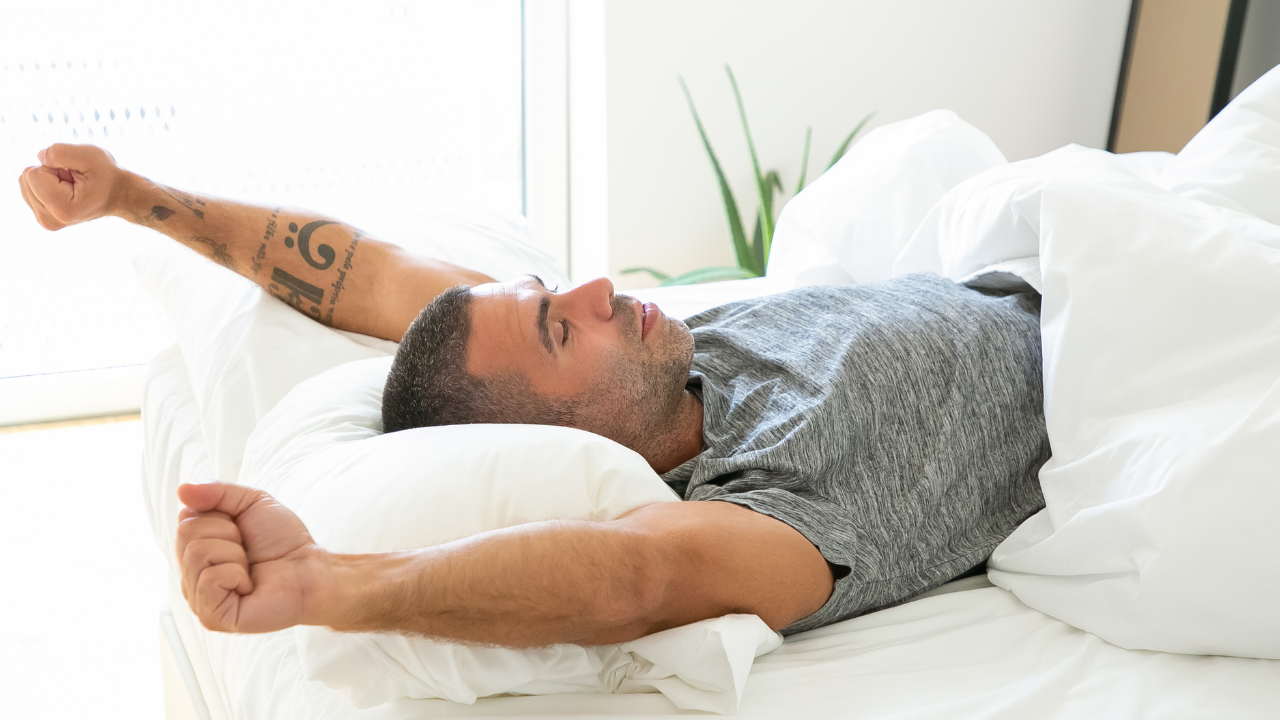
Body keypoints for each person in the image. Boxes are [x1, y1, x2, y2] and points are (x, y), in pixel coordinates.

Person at [19, 143, 1049, 648]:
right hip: (1106, 360)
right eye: (564, 326)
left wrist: (132, 198)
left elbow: (362, 276)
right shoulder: (769, 497)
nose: (605, 292)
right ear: (542, 425)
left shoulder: (666, 361)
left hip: (1036, 260)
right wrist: (334, 585)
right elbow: (634, 578)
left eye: (560, 299)